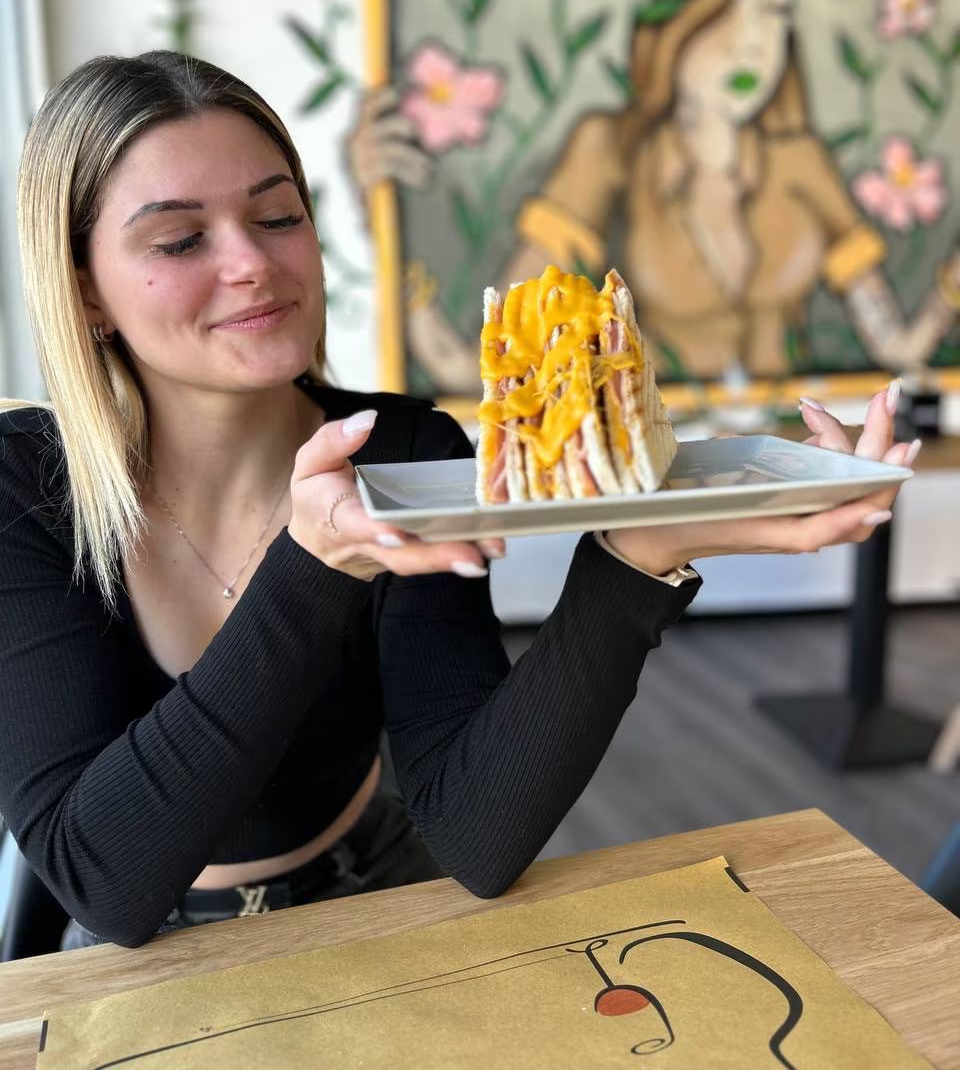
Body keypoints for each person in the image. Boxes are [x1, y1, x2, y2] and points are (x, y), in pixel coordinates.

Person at [0, 51, 914, 952]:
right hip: (131, 957)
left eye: (277, 217)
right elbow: (103, 882)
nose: (251, 263)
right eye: (180, 240)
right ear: (85, 290)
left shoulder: (406, 453)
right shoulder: (22, 488)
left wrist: (637, 554)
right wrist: (314, 568)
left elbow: (475, 836)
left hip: (374, 890)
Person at [351, 0, 960, 390]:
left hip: (794, 458)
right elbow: (477, 364)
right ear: (682, 17)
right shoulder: (609, 149)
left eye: (775, 9)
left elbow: (899, 348)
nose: (754, 43)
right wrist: (377, 211)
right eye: (731, 8)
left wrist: (949, 290)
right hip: (658, 470)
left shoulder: (800, 163)